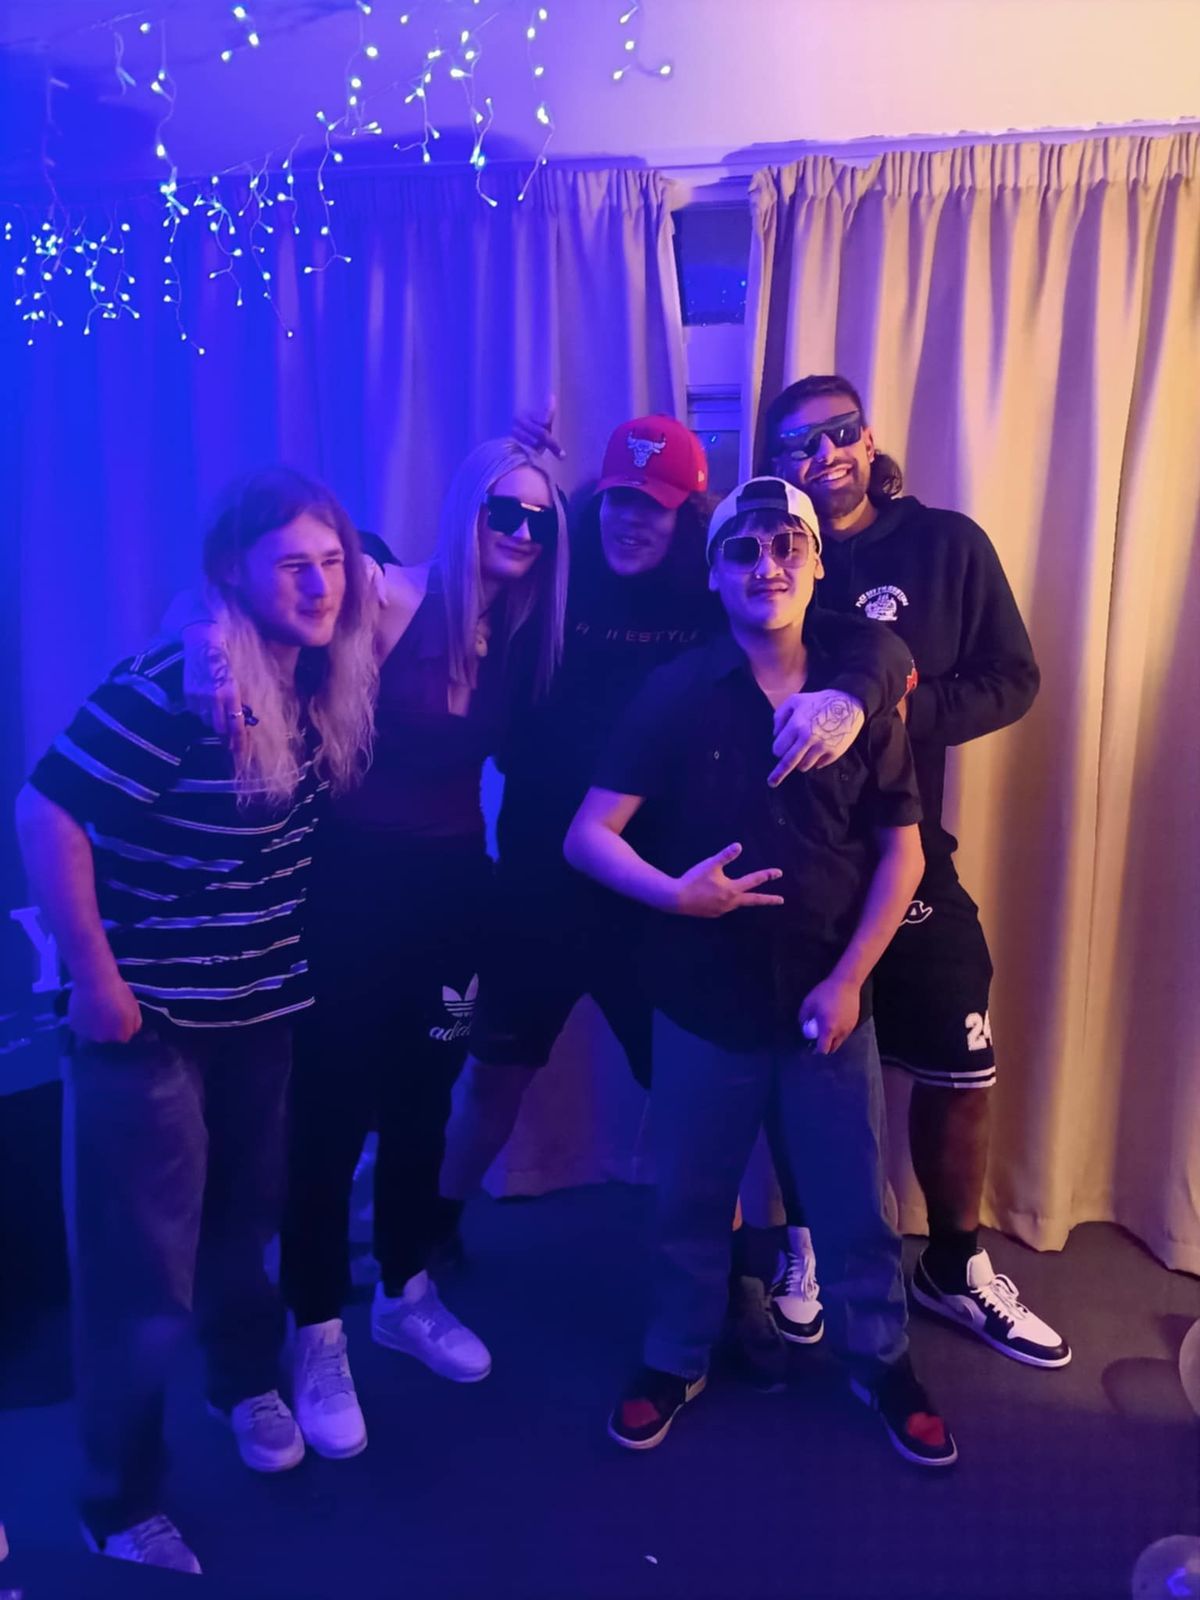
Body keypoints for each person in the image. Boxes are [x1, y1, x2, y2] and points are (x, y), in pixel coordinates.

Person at [15, 468, 377, 1574]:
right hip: (151, 1023)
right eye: (292, 565)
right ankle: (116, 1501)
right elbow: (45, 811)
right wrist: (96, 980)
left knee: (241, 1226)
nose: (320, 585)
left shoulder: (315, 676)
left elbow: (439, 581)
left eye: (332, 562)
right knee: (140, 1285)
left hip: (260, 1010)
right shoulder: (177, 682)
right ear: (232, 573)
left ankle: (242, 1384)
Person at [180, 440, 569, 1461]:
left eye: (539, 519)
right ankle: (317, 1329)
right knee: (328, 1115)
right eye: (502, 509)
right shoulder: (383, 591)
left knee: (425, 1100)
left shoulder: (524, 626)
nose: (520, 531)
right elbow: (237, 594)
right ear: (464, 506)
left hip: (454, 900)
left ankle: (404, 1291)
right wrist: (201, 642)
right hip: (347, 895)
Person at [565, 475, 956, 1467]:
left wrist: (853, 977)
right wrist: (673, 894)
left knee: (855, 1207)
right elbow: (588, 835)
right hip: (702, 1000)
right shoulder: (674, 692)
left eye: (787, 545)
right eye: (743, 549)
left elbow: (904, 854)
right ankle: (675, 1354)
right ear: (714, 574)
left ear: (817, 563)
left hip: (829, 999)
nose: (766, 564)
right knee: (689, 1200)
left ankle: (883, 1363)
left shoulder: (855, 699)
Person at [439, 413, 914, 1228]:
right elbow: (438, 572)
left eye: (655, 506)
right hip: (538, 881)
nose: (633, 520)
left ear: (687, 514)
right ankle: (431, 1231)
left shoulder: (718, 580)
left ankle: (730, 1275)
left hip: (662, 894)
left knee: (693, 1104)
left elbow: (878, 649)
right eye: (621, 500)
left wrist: (850, 699)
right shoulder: (556, 570)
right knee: (493, 1072)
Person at [760, 374, 1070, 1368]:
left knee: (961, 1057)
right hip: (800, 858)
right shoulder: (773, 549)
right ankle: (805, 1243)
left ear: (869, 437)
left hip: (909, 847)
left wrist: (897, 714)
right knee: (803, 1054)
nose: (825, 455)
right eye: (800, 443)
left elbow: (1013, 677)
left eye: (840, 432)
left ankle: (953, 1262)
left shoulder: (945, 545)